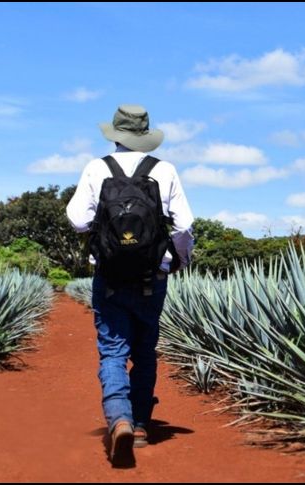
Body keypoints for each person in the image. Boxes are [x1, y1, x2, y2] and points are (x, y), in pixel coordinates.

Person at [66, 104, 194, 466]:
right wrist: (180, 259)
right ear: (145, 133)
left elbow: (77, 220)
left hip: (109, 275)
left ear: (116, 134)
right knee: (145, 350)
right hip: (152, 277)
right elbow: (184, 225)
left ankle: (118, 418)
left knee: (112, 351)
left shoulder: (97, 168)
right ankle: (139, 424)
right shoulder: (163, 170)